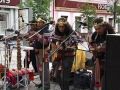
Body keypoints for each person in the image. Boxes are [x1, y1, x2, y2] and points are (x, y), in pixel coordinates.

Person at [51, 17, 77, 90]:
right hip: (58, 57)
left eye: (63, 26)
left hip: (68, 56)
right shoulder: (55, 33)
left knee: (65, 77)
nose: (61, 28)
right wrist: (56, 46)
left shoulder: (72, 33)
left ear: (66, 26)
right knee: (56, 76)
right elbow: (52, 41)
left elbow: (75, 46)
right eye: (59, 26)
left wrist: (65, 47)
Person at [90, 20, 115, 90]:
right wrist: (92, 49)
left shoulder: (111, 34)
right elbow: (91, 44)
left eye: (99, 29)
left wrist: (103, 49)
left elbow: (114, 48)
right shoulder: (95, 34)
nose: (97, 31)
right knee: (94, 81)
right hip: (97, 60)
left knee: (104, 83)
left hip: (108, 62)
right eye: (96, 29)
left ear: (104, 27)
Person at [34, 17, 50, 89]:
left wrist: (38, 35)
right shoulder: (38, 30)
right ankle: (42, 82)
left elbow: (45, 42)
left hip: (44, 51)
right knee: (39, 68)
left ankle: (46, 85)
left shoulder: (47, 31)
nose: (38, 23)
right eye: (37, 22)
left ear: (44, 23)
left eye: (40, 22)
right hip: (37, 51)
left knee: (45, 69)